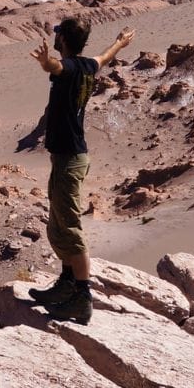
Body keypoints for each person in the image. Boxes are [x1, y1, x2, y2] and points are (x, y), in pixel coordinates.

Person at [27, 17, 133, 323]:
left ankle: (82, 297)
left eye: (57, 34)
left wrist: (47, 62)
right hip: (68, 158)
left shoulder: (71, 67)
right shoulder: (88, 65)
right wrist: (120, 42)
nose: (55, 37)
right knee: (57, 225)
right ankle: (67, 283)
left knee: (70, 227)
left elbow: (56, 69)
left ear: (64, 40)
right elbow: (104, 57)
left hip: (70, 159)